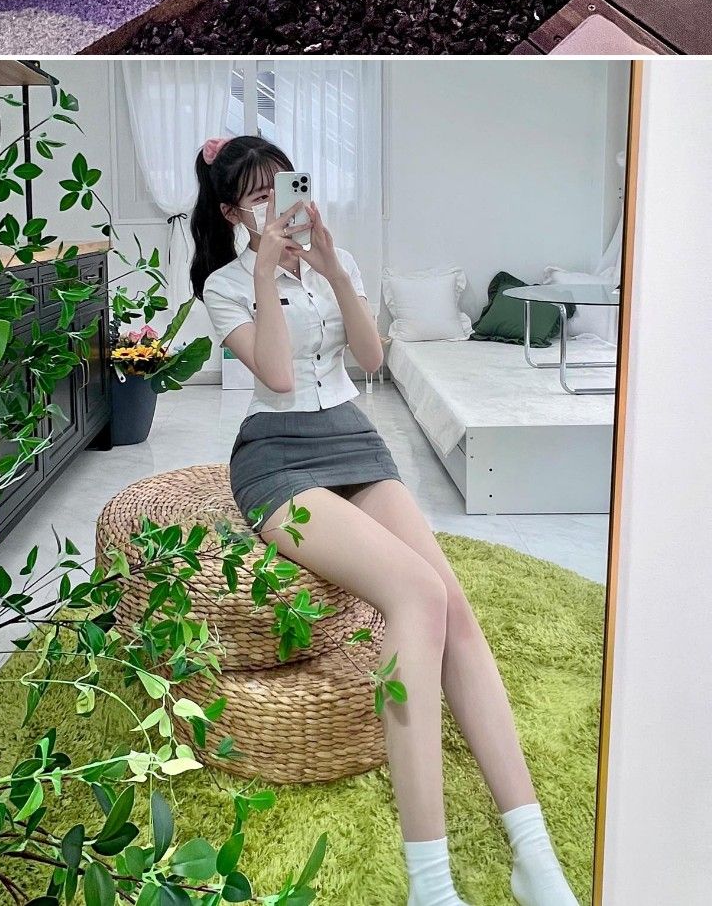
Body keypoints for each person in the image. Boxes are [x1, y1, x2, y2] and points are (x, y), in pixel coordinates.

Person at [191, 130, 582, 906]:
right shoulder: (226, 286)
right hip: (276, 454)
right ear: (234, 212)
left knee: (454, 608)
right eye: (260, 196)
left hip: (351, 435)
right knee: (416, 594)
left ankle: (532, 851)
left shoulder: (338, 260)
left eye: (286, 187)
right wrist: (266, 271)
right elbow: (276, 376)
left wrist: (333, 269)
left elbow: (370, 361)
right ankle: (430, 885)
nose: (279, 205)